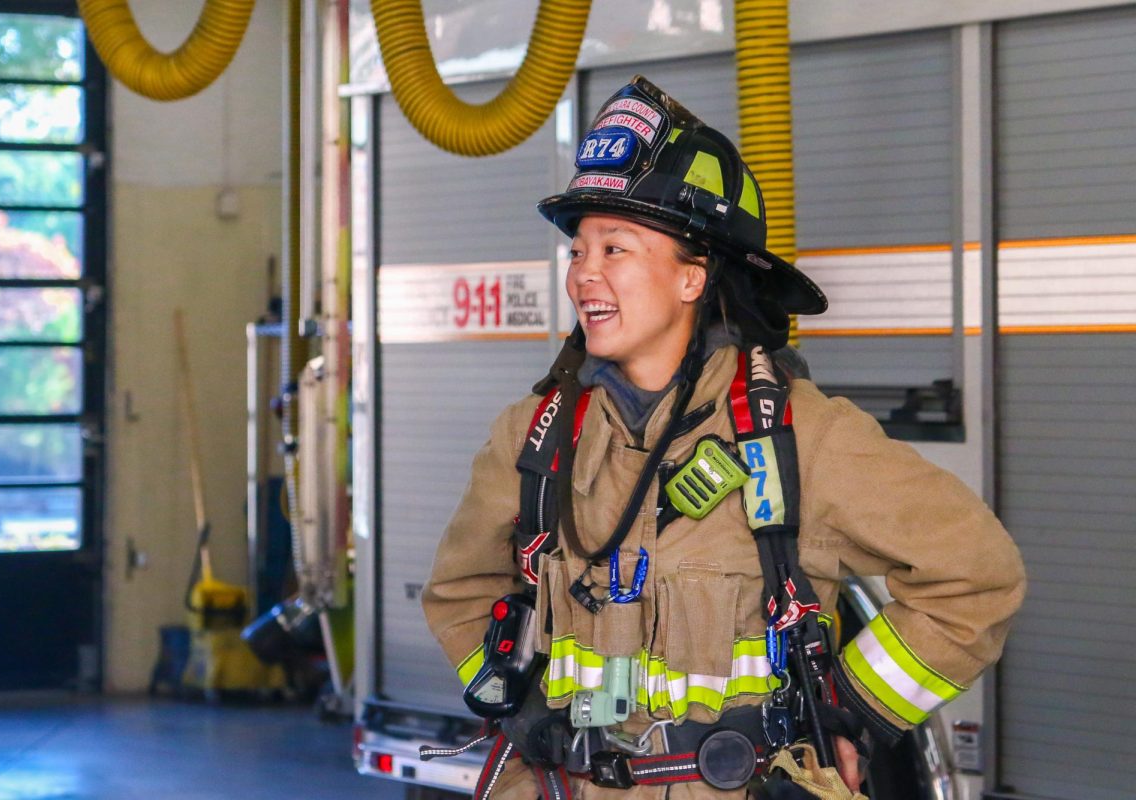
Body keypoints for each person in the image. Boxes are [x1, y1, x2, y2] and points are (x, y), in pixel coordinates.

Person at [422, 76, 1025, 799]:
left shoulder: (803, 439)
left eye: (616, 248)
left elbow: (977, 574)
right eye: (578, 251)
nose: (585, 274)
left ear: (692, 276)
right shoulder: (536, 436)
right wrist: (513, 699)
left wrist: (851, 707)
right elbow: (459, 592)